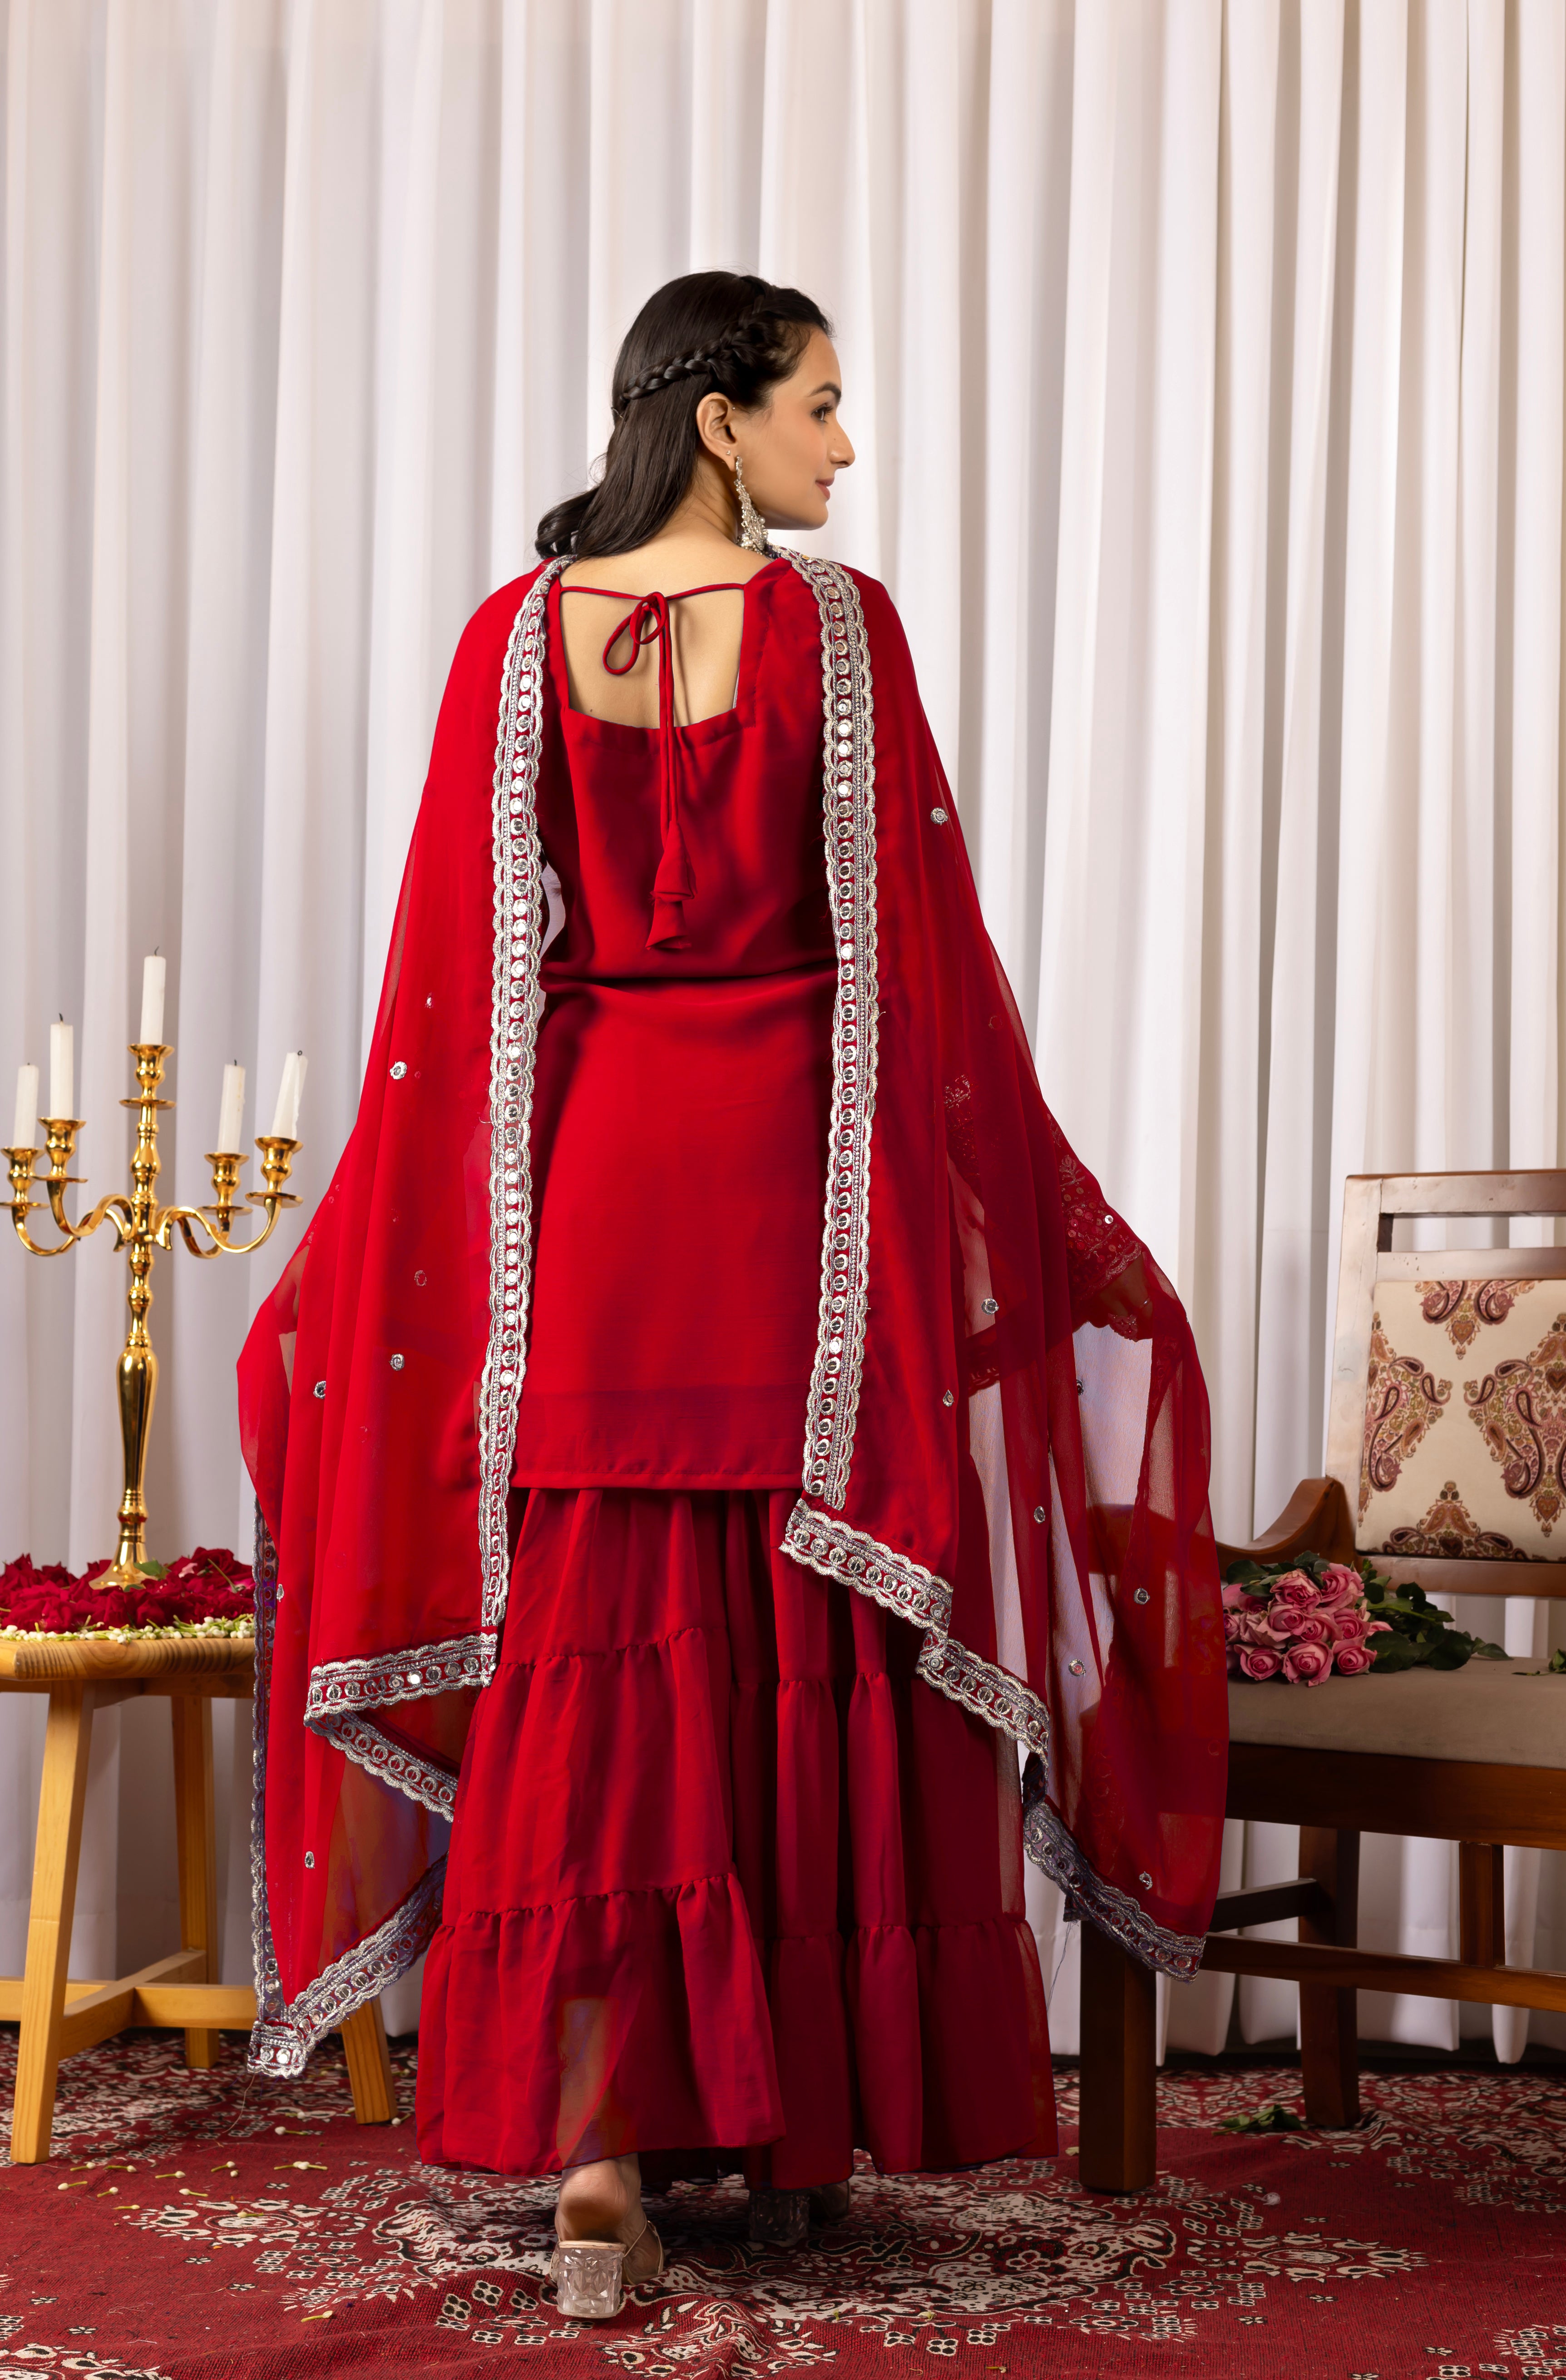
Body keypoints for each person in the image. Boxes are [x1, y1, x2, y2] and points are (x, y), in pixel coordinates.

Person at [239, 271, 1229, 2321]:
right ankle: (778, 2115)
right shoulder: (835, 639)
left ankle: (601, 2149)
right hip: (790, 1192)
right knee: (786, 1610)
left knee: (603, 1627)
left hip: (593, 1193)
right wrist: (1034, 1216)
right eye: (823, 407)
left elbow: (460, 994)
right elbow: (925, 969)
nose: (842, 450)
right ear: (718, 418)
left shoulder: (513, 649)